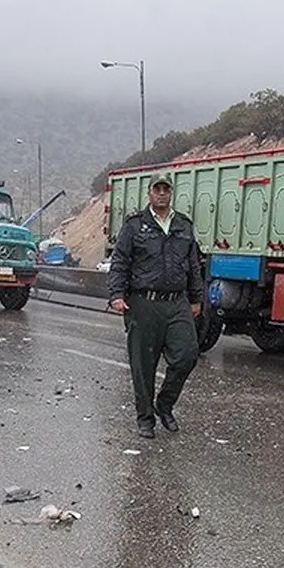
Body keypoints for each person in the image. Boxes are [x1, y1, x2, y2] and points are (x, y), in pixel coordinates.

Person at [108, 172, 203, 438]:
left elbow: (194, 265)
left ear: (171, 193)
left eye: (166, 189)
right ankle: (145, 418)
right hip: (143, 303)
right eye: (157, 189)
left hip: (176, 302)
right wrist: (116, 294)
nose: (162, 193)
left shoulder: (183, 225)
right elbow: (120, 262)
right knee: (143, 364)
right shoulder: (134, 226)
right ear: (149, 192)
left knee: (187, 355)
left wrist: (197, 298)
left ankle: (164, 404)